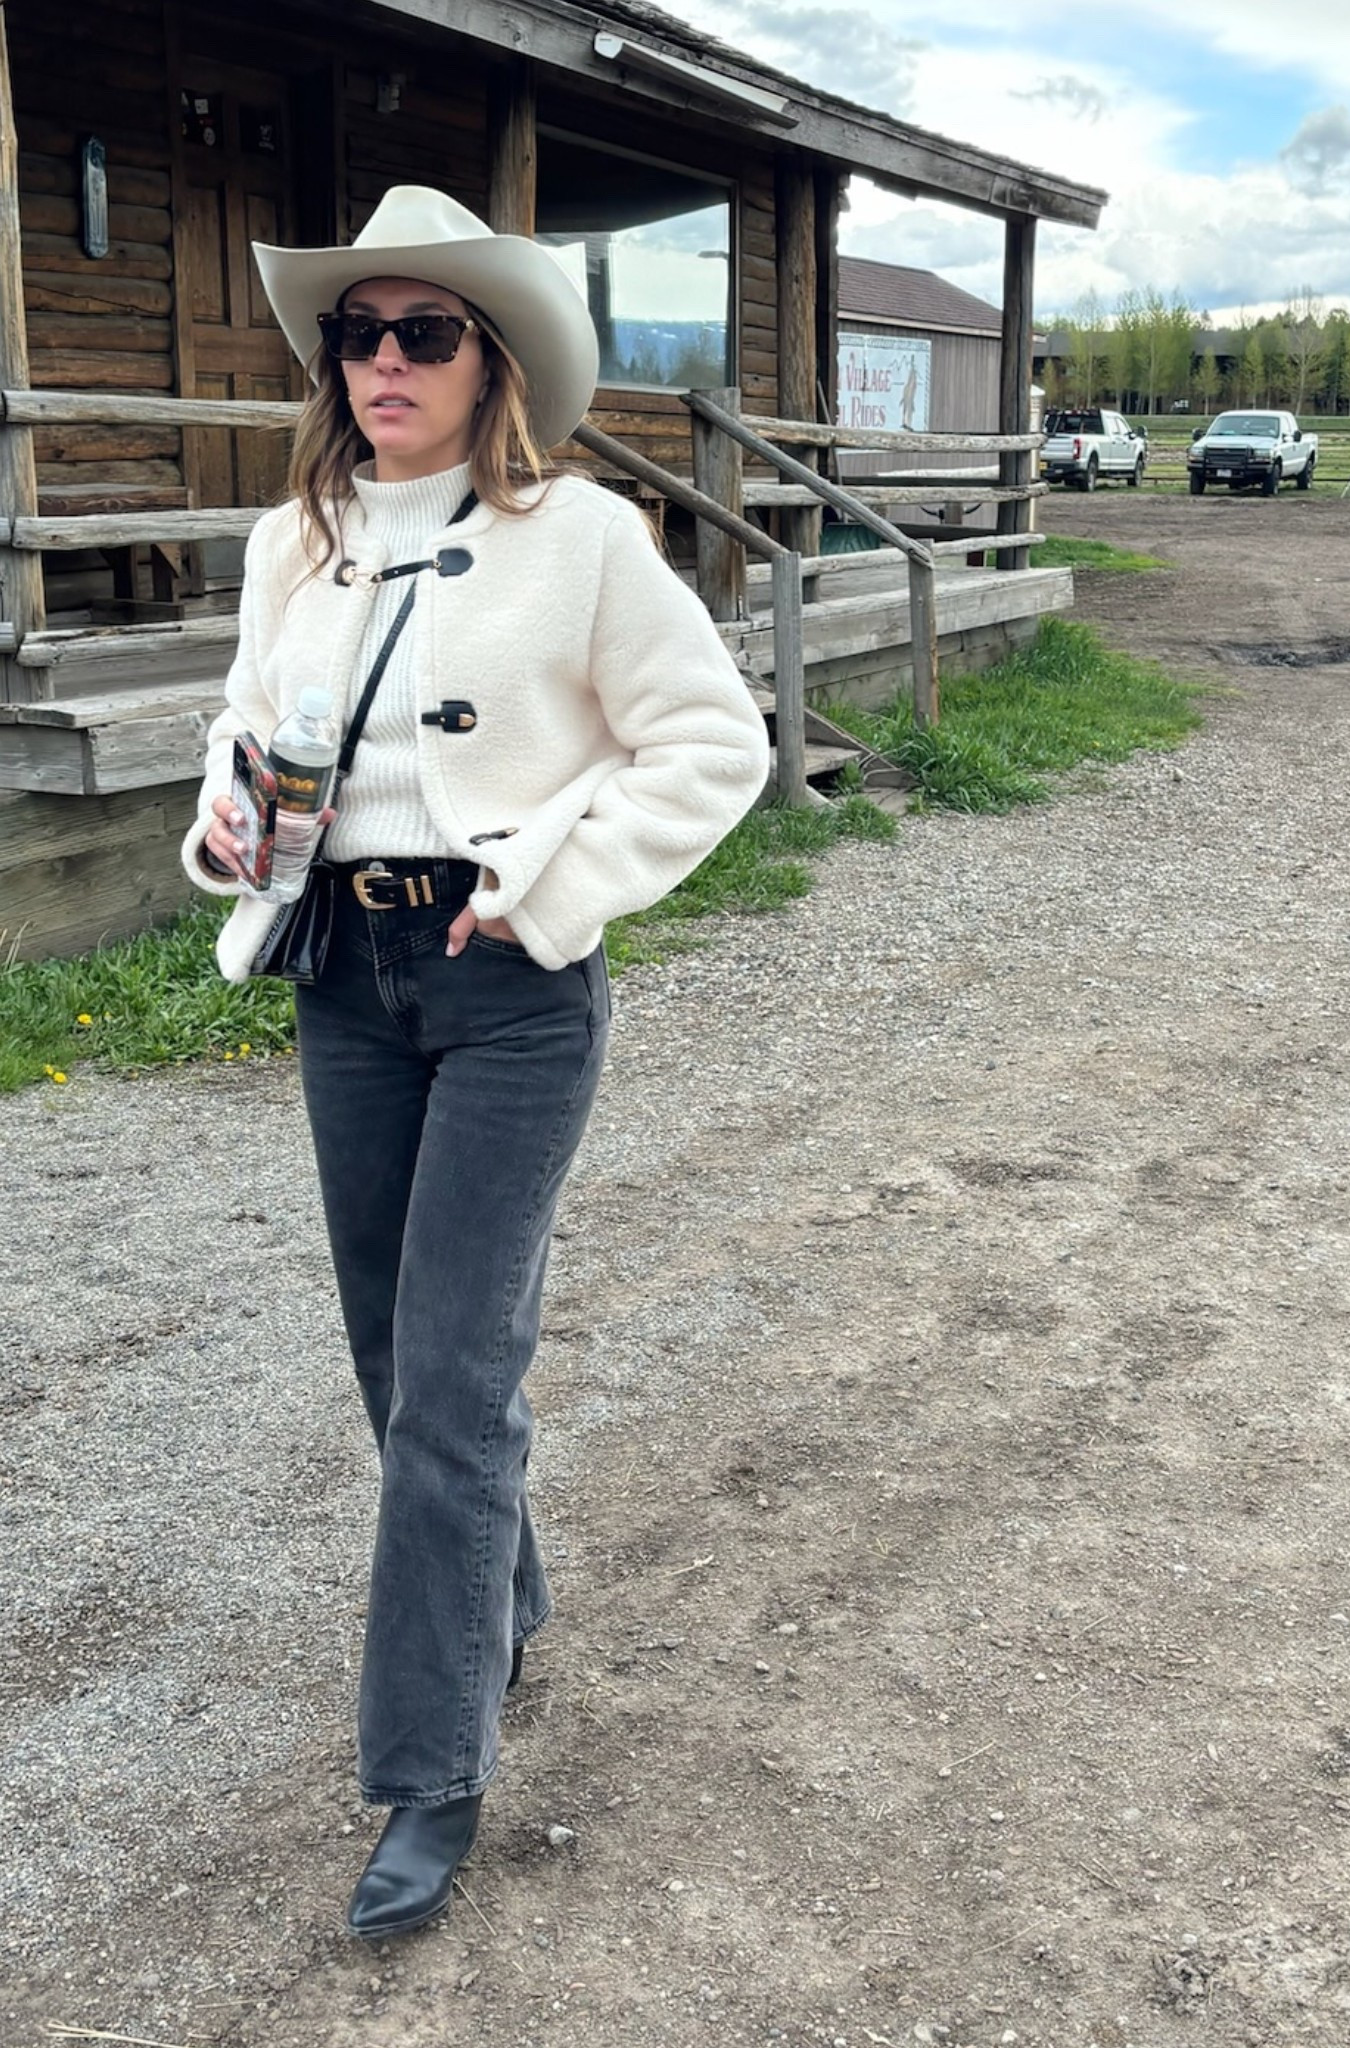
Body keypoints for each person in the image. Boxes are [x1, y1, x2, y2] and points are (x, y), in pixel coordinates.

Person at [181, 186, 769, 1939]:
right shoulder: (291, 540)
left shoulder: (578, 538)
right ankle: (500, 1601)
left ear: (489, 360)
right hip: (342, 975)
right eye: (356, 332)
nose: (383, 360)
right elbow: (248, 723)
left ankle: (428, 1771)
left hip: (505, 984)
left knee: (453, 1376)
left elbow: (712, 743)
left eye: (423, 332)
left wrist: (548, 892)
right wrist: (228, 819)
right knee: (393, 1351)